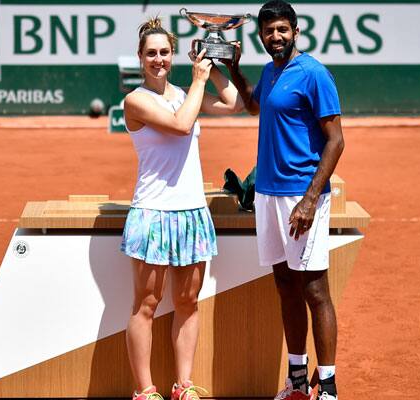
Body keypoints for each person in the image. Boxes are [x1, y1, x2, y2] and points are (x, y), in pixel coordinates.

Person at [225, 1, 345, 399]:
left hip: (301, 196)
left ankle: (326, 386)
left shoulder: (314, 74)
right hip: (269, 195)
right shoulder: (270, 72)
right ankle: (296, 379)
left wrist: (311, 200)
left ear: (295, 30)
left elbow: (336, 140)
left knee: (314, 288)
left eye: (281, 29)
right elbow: (256, 105)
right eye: (268, 31)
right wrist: (235, 70)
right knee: (284, 284)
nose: (274, 37)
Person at [120, 17, 243, 400]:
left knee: (187, 303)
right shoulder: (136, 100)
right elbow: (179, 125)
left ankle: (183, 387)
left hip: (191, 212)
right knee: (147, 305)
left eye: (164, 52)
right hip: (152, 213)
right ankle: (145, 391)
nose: (158, 59)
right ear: (140, 59)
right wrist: (200, 79)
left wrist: (216, 64)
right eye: (151, 53)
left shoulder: (185, 91)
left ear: (174, 55)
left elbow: (233, 103)